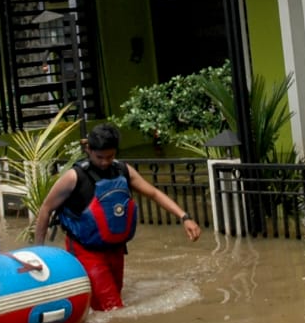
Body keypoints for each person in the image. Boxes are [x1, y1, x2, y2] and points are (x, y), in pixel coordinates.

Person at [33, 122, 201, 310]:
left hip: (116, 249)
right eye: (100, 157)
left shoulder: (123, 170)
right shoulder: (74, 177)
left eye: (110, 156)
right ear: (88, 149)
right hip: (86, 250)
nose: (105, 162)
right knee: (113, 307)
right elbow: (46, 209)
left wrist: (184, 216)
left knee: (107, 304)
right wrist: (37, 254)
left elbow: (153, 193)